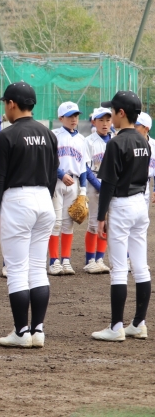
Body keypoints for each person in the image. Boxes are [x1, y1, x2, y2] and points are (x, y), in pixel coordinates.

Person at [0, 82, 57, 348]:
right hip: (44, 199)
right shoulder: (48, 133)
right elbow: (53, 174)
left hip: (18, 199)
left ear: (13, 104)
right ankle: (38, 330)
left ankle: (21, 331)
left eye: (6, 103)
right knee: (38, 268)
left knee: (17, 269)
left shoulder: (7, 135)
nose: (5, 108)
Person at [92, 91, 151, 342]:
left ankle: (116, 326)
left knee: (118, 268)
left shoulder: (116, 143)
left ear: (121, 113)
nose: (111, 116)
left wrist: (101, 216)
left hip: (122, 205)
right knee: (141, 266)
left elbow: (108, 183)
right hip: (140, 204)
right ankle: (139, 323)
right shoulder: (144, 141)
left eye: (113, 111)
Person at [48, 102, 88, 276]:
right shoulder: (54, 135)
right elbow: (49, 160)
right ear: (60, 118)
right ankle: (53, 261)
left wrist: (83, 190)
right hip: (57, 182)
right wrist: (60, 174)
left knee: (68, 223)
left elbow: (83, 167)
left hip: (75, 182)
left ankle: (66, 260)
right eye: (70, 116)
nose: (74, 119)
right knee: (55, 222)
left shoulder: (82, 140)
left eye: (76, 116)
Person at [83, 107, 113, 274]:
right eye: (101, 120)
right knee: (94, 223)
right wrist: (100, 187)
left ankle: (100, 259)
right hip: (95, 183)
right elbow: (86, 168)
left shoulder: (115, 140)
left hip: (112, 185)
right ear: (94, 122)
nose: (105, 123)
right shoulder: (88, 141)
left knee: (108, 223)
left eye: (108, 120)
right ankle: (90, 260)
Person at [135, 113, 155, 206]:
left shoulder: (154, 145)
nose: (133, 128)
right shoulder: (129, 142)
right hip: (129, 184)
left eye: (136, 126)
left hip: (145, 185)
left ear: (146, 129)